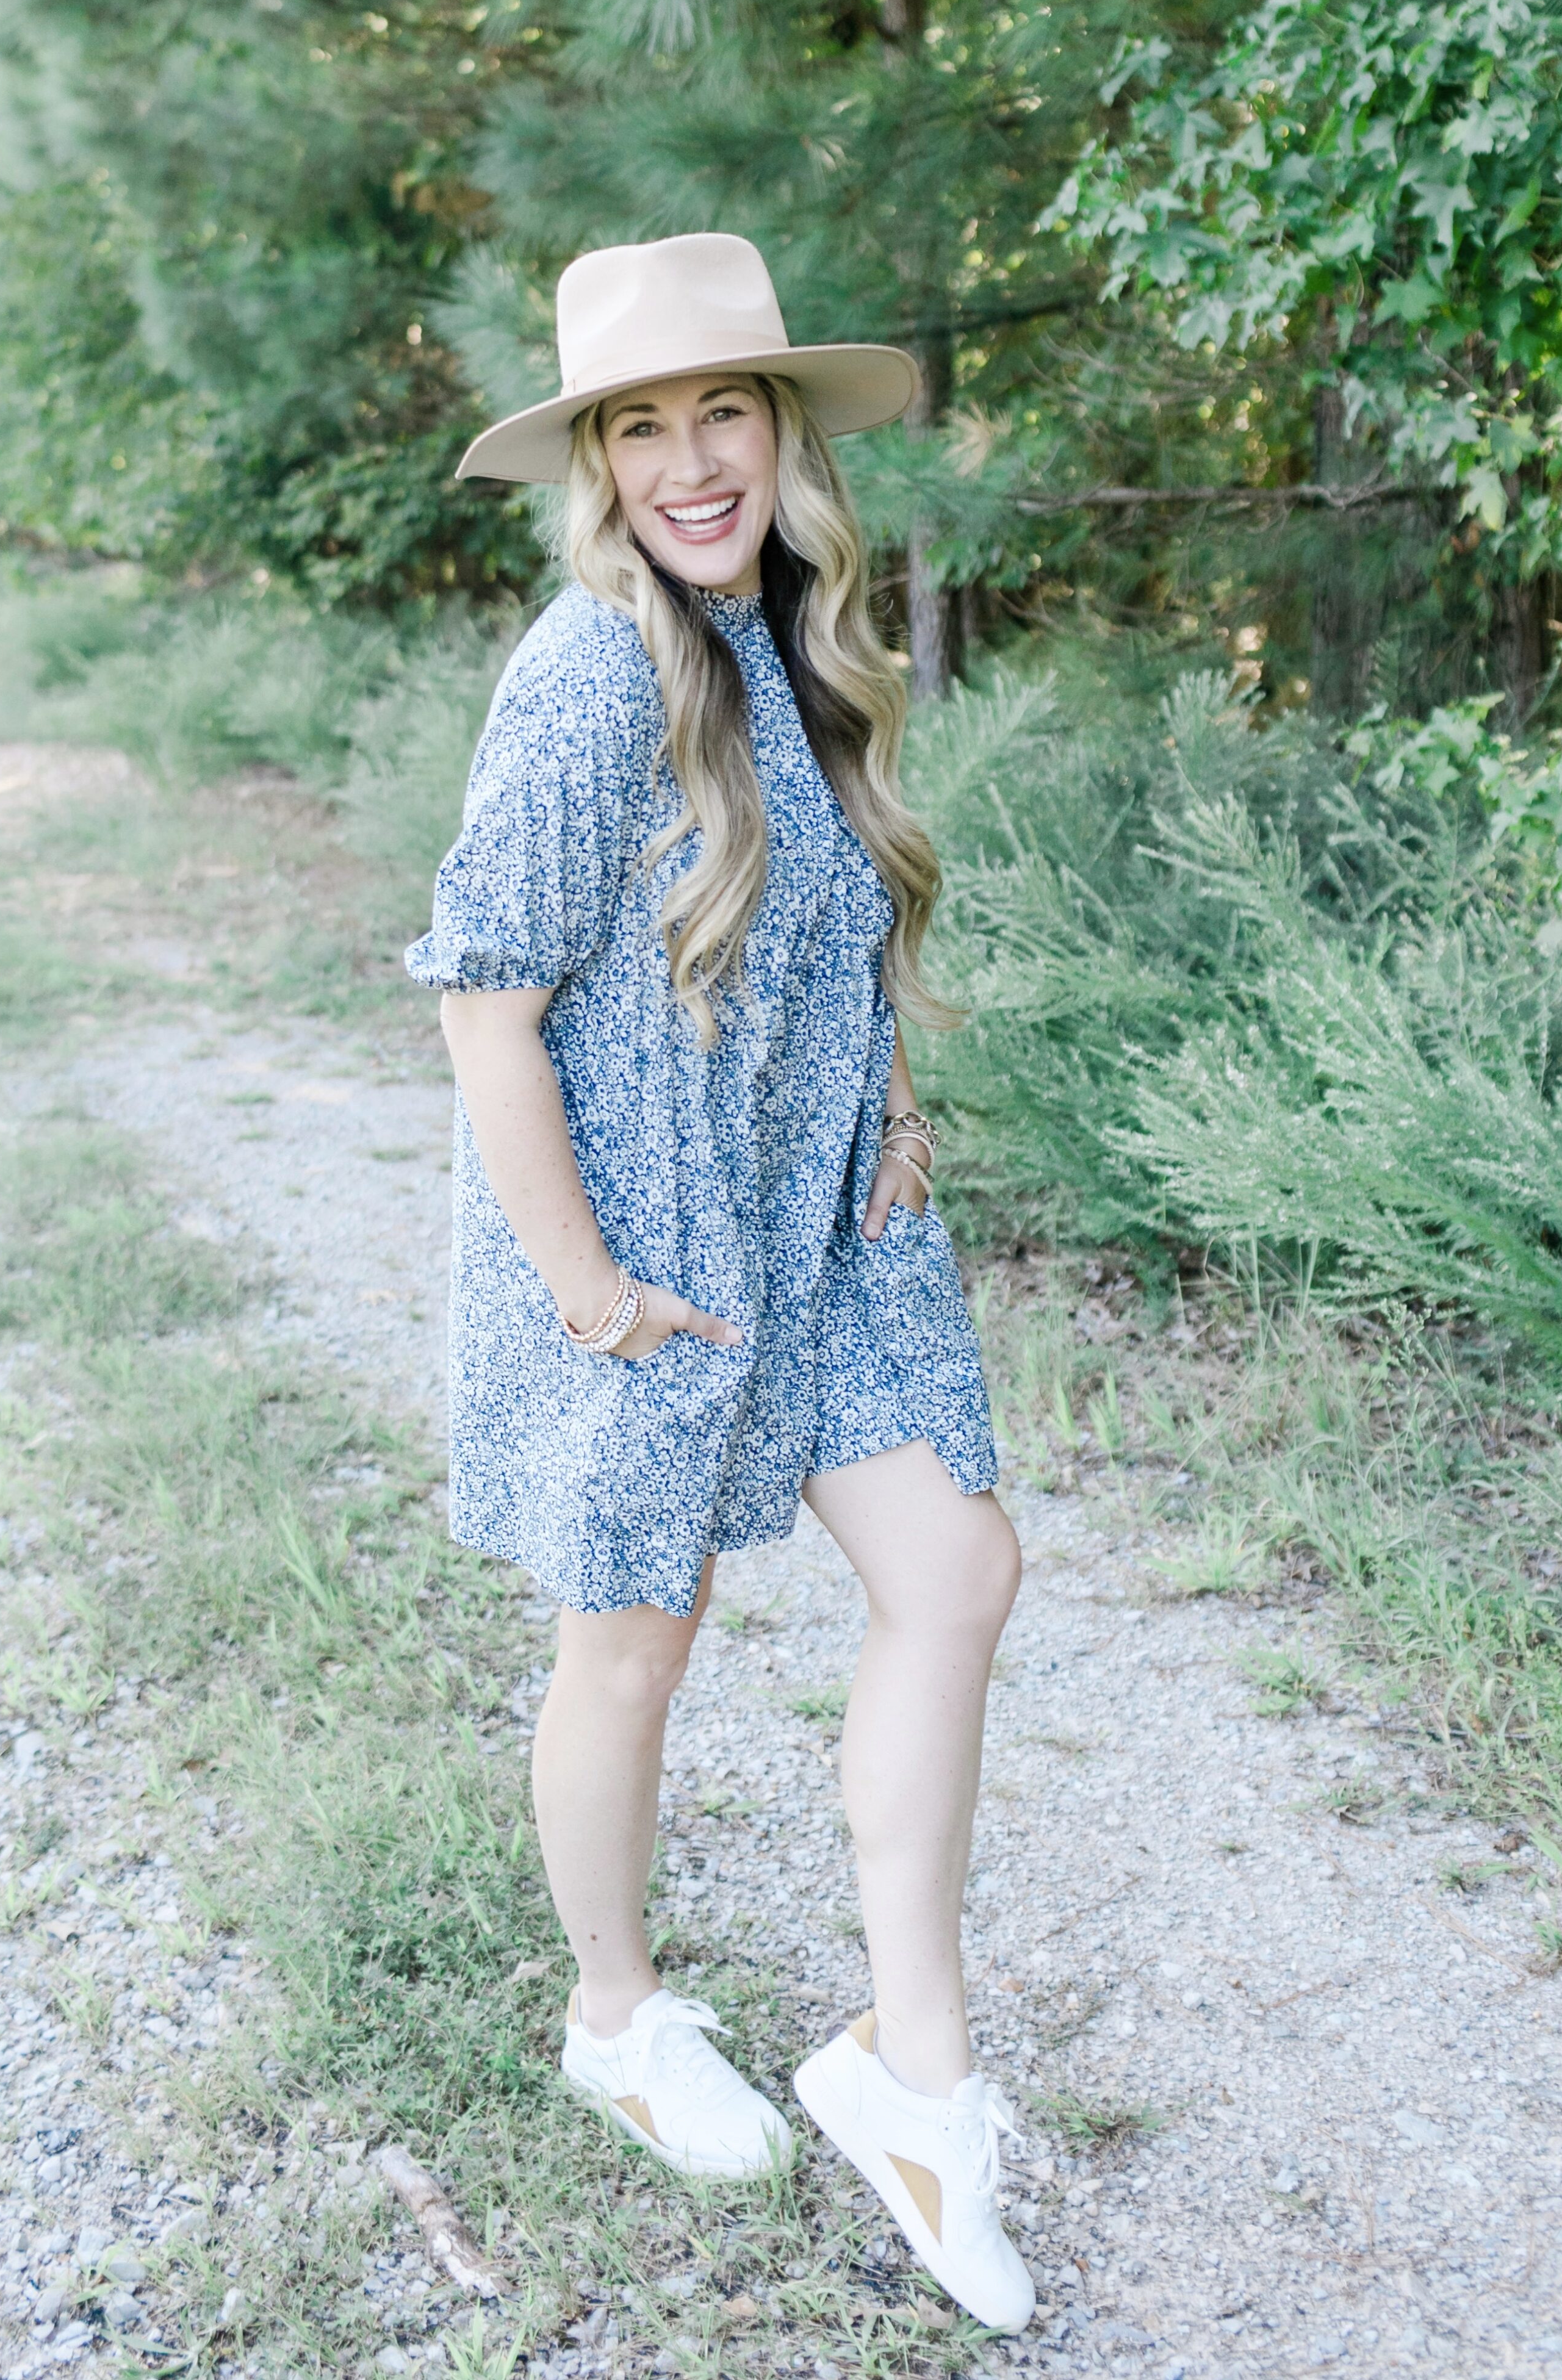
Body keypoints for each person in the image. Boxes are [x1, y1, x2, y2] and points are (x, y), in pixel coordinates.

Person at [406, 232, 1032, 2333]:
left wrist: (900, 1091)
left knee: (957, 1573)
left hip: (836, 1215)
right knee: (633, 1654)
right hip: (645, 1241)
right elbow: (487, 1004)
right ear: (596, 460)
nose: (694, 461)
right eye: (645, 427)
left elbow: (836, 914)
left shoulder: (793, 630)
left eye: (726, 413)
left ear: (780, 431)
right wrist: (587, 1289)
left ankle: (911, 2075)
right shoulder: (589, 673)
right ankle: (615, 2013)